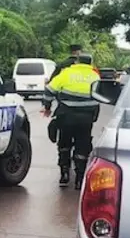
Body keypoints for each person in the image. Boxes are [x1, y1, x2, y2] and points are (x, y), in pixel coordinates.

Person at [42, 54, 101, 190]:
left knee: (64, 144)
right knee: (82, 146)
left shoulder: (67, 73)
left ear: (77, 62)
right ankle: (79, 179)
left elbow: (49, 90)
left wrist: (47, 106)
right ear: (90, 63)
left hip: (66, 116)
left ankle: (64, 174)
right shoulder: (95, 76)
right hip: (86, 119)